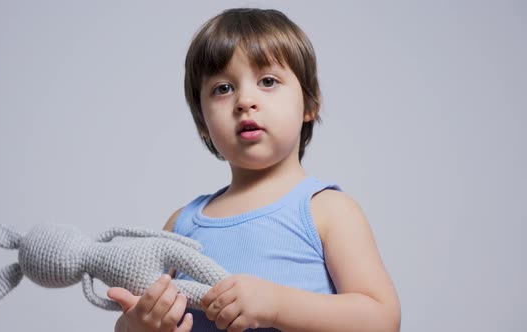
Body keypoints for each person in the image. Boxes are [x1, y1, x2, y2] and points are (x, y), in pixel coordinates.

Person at [108, 7, 401, 332]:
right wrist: (137, 325)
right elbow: (138, 314)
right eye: (223, 88)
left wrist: (277, 305)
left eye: (268, 81)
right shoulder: (181, 225)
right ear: (202, 122)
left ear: (310, 103)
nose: (245, 100)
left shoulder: (329, 211)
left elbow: (381, 319)